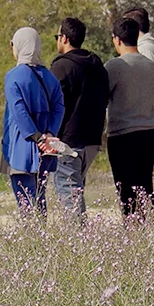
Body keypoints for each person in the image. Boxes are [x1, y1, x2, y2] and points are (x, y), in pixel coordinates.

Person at [50, 17, 109, 223]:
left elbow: (54, 104)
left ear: (64, 38)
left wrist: (50, 136)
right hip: (92, 138)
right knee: (76, 189)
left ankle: (79, 244)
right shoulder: (97, 66)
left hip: (68, 140)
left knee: (69, 196)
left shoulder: (62, 67)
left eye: (57, 37)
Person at [1, 27, 64, 218]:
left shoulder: (14, 76)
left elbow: (18, 110)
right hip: (46, 146)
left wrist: (35, 136)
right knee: (40, 196)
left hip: (21, 144)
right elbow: (59, 107)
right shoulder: (50, 77)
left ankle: (31, 242)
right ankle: (40, 238)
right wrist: (49, 134)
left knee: (25, 199)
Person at [104, 17, 154, 218]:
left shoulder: (114, 66)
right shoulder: (149, 65)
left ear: (117, 39)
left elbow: (104, 96)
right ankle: (150, 225)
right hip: (147, 131)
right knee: (145, 185)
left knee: (126, 189)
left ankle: (132, 231)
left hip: (122, 134)